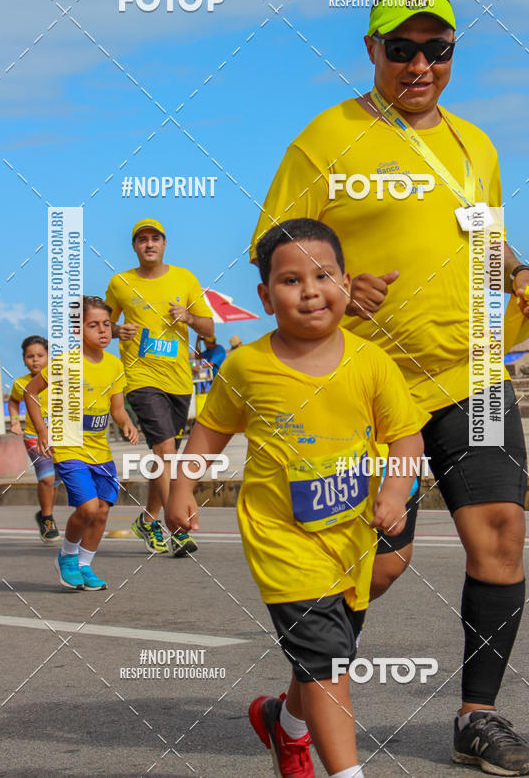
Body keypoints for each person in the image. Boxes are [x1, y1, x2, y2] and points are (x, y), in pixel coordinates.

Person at [250, 0, 529, 775]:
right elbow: (277, 243)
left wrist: (521, 272)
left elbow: (488, 239)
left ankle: (476, 717)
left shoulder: (474, 146)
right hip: (373, 386)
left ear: (452, 55)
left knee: (501, 536)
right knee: (378, 564)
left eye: (437, 49)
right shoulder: (329, 137)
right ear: (371, 51)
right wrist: (336, 284)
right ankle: (292, 705)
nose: (420, 64)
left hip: (472, 371)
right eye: (402, 49)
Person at [166, 219, 427, 778]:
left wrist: (395, 491)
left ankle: (284, 724)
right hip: (281, 539)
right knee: (330, 664)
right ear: (265, 296)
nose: (310, 289)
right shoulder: (246, 366)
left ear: (347, 282)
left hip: (351, 537)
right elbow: (209, 432)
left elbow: (406, 435)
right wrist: (182, 487)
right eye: (290, 279)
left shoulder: (371, 361)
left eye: (323, 274)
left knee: (325, 655)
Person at [105, 218, 214, 556]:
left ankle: (148, 519)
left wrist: (189, 317)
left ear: (164, 244)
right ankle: (177, 528)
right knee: (166, 452)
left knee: (164, 457)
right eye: (142, 240)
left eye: (155, 239)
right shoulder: (120, 283)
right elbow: (99, 325)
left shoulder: (185, 278)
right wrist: (114, 331)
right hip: (141, 379)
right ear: (134, 247)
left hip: (179, 381)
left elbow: (209, 329)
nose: (149, 244)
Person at [25, 296, 138, 590]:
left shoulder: (114, 365)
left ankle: (85, 565)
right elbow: (31, 393)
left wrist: (126, 423)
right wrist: (42, 431)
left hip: (100, 449)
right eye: (93, 325)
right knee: (87, 508)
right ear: (77, 330)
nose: (102, 331)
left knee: (102, 510)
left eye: (106, 325)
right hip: (70, 445)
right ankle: (67, 557)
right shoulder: (65, 363)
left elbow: (116, 408)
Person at [9, 335, 61, 543]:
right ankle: (47, 519)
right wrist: (14, 421)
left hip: (59, 437)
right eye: (30, 356)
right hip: (33, 436)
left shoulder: (58, 378)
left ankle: (44, 513)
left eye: (40, 355)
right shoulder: (20, 383)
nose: (35, 360)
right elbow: (13, 402)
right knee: (47, 478)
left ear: (49, 357)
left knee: (55, 481)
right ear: (24, 360)